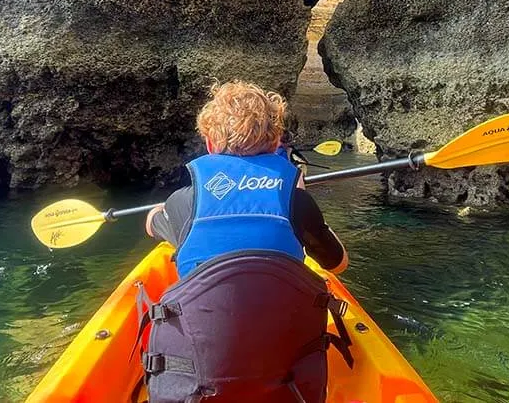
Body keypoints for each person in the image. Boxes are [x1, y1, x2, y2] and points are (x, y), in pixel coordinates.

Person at [139, 80, 352, 403]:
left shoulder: (181, 203)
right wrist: (300, 199)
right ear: (277, 140)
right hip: (287, 381)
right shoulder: (297, 202)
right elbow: (339, 263)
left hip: (199, 382)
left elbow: (151, 223)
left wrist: (160, 212)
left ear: (209, 144)